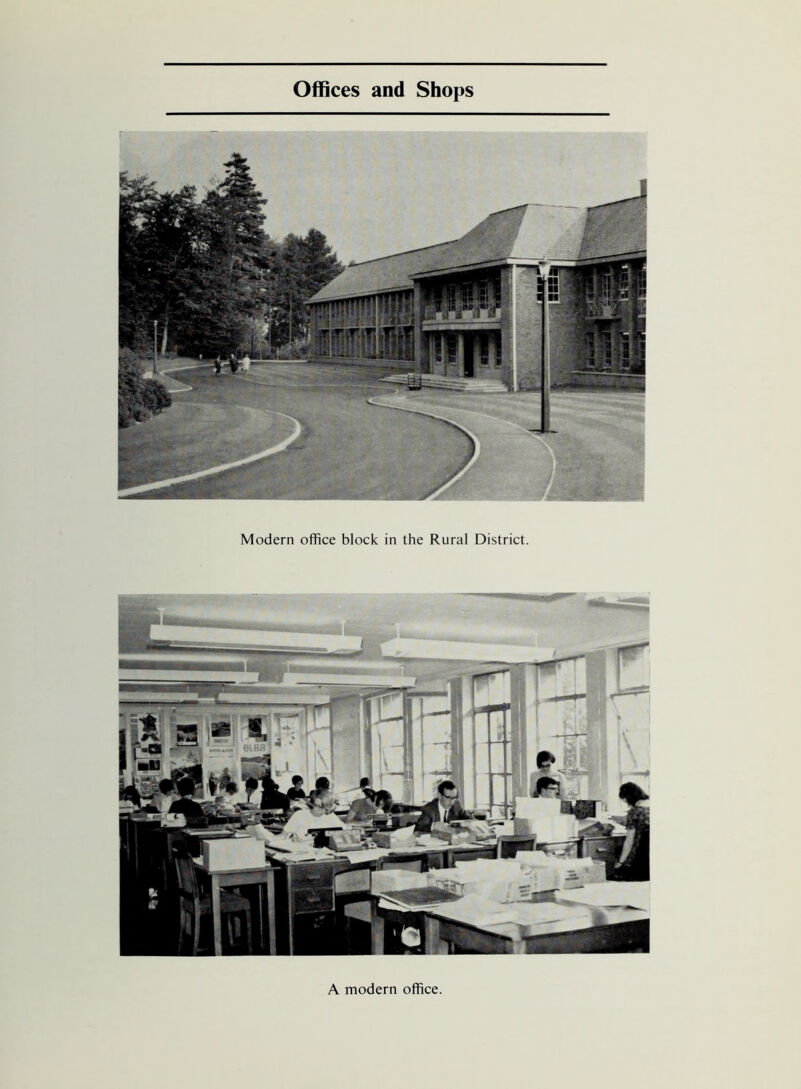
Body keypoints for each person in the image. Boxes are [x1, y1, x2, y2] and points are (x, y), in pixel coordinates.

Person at [613, 782, 650, 881]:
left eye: (626, 801)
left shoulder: (634, 812)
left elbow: (629, 841)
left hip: (641, 854)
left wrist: (620, 862)